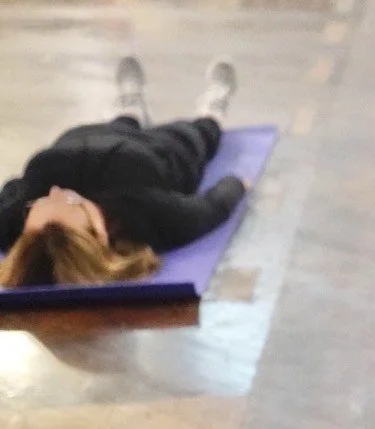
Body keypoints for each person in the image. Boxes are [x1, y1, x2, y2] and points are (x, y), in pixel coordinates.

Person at [0, 56, 247, 288]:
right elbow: (210, 209)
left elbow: (11, 187)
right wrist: (236, 184)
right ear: (101, 232)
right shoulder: (141, 214)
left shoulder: (12, 221)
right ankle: (213, 108)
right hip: (163, 150)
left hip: (88, 135)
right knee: (200, 135)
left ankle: (130, 108)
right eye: (71, 200)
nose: (54, 190)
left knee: (121, 122)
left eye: (39, 202)